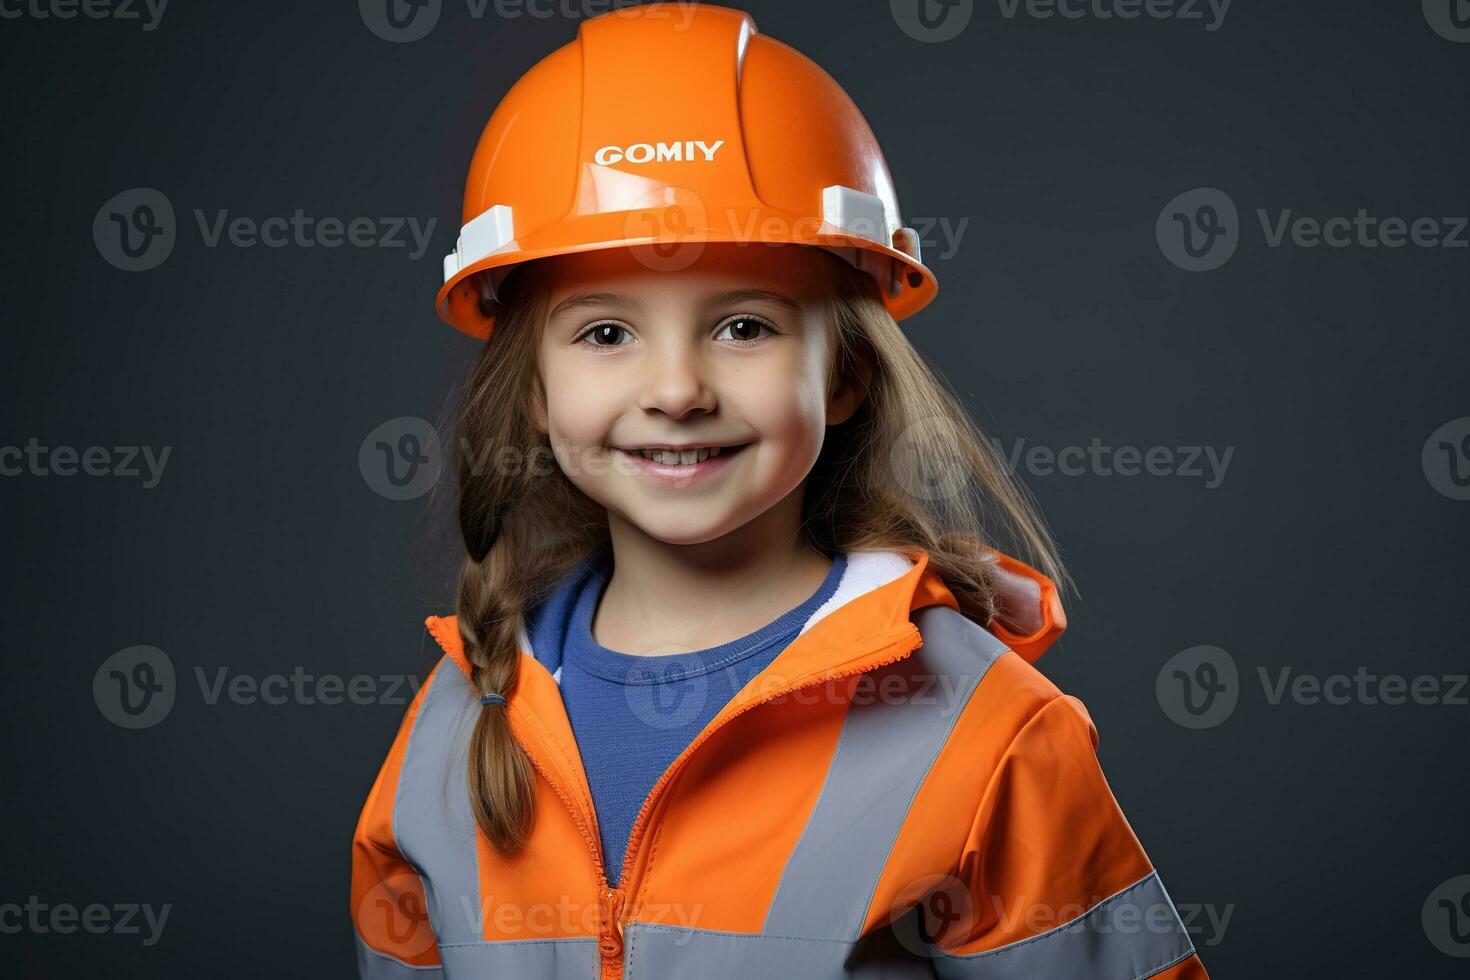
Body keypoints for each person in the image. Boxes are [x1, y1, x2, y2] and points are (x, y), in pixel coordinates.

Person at [352, 4, 1211, 978]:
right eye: (606, 333)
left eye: (745, 327)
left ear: (843, 372)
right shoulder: (460, 711)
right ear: (537, 391)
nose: (676, 390)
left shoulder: (985, 731)